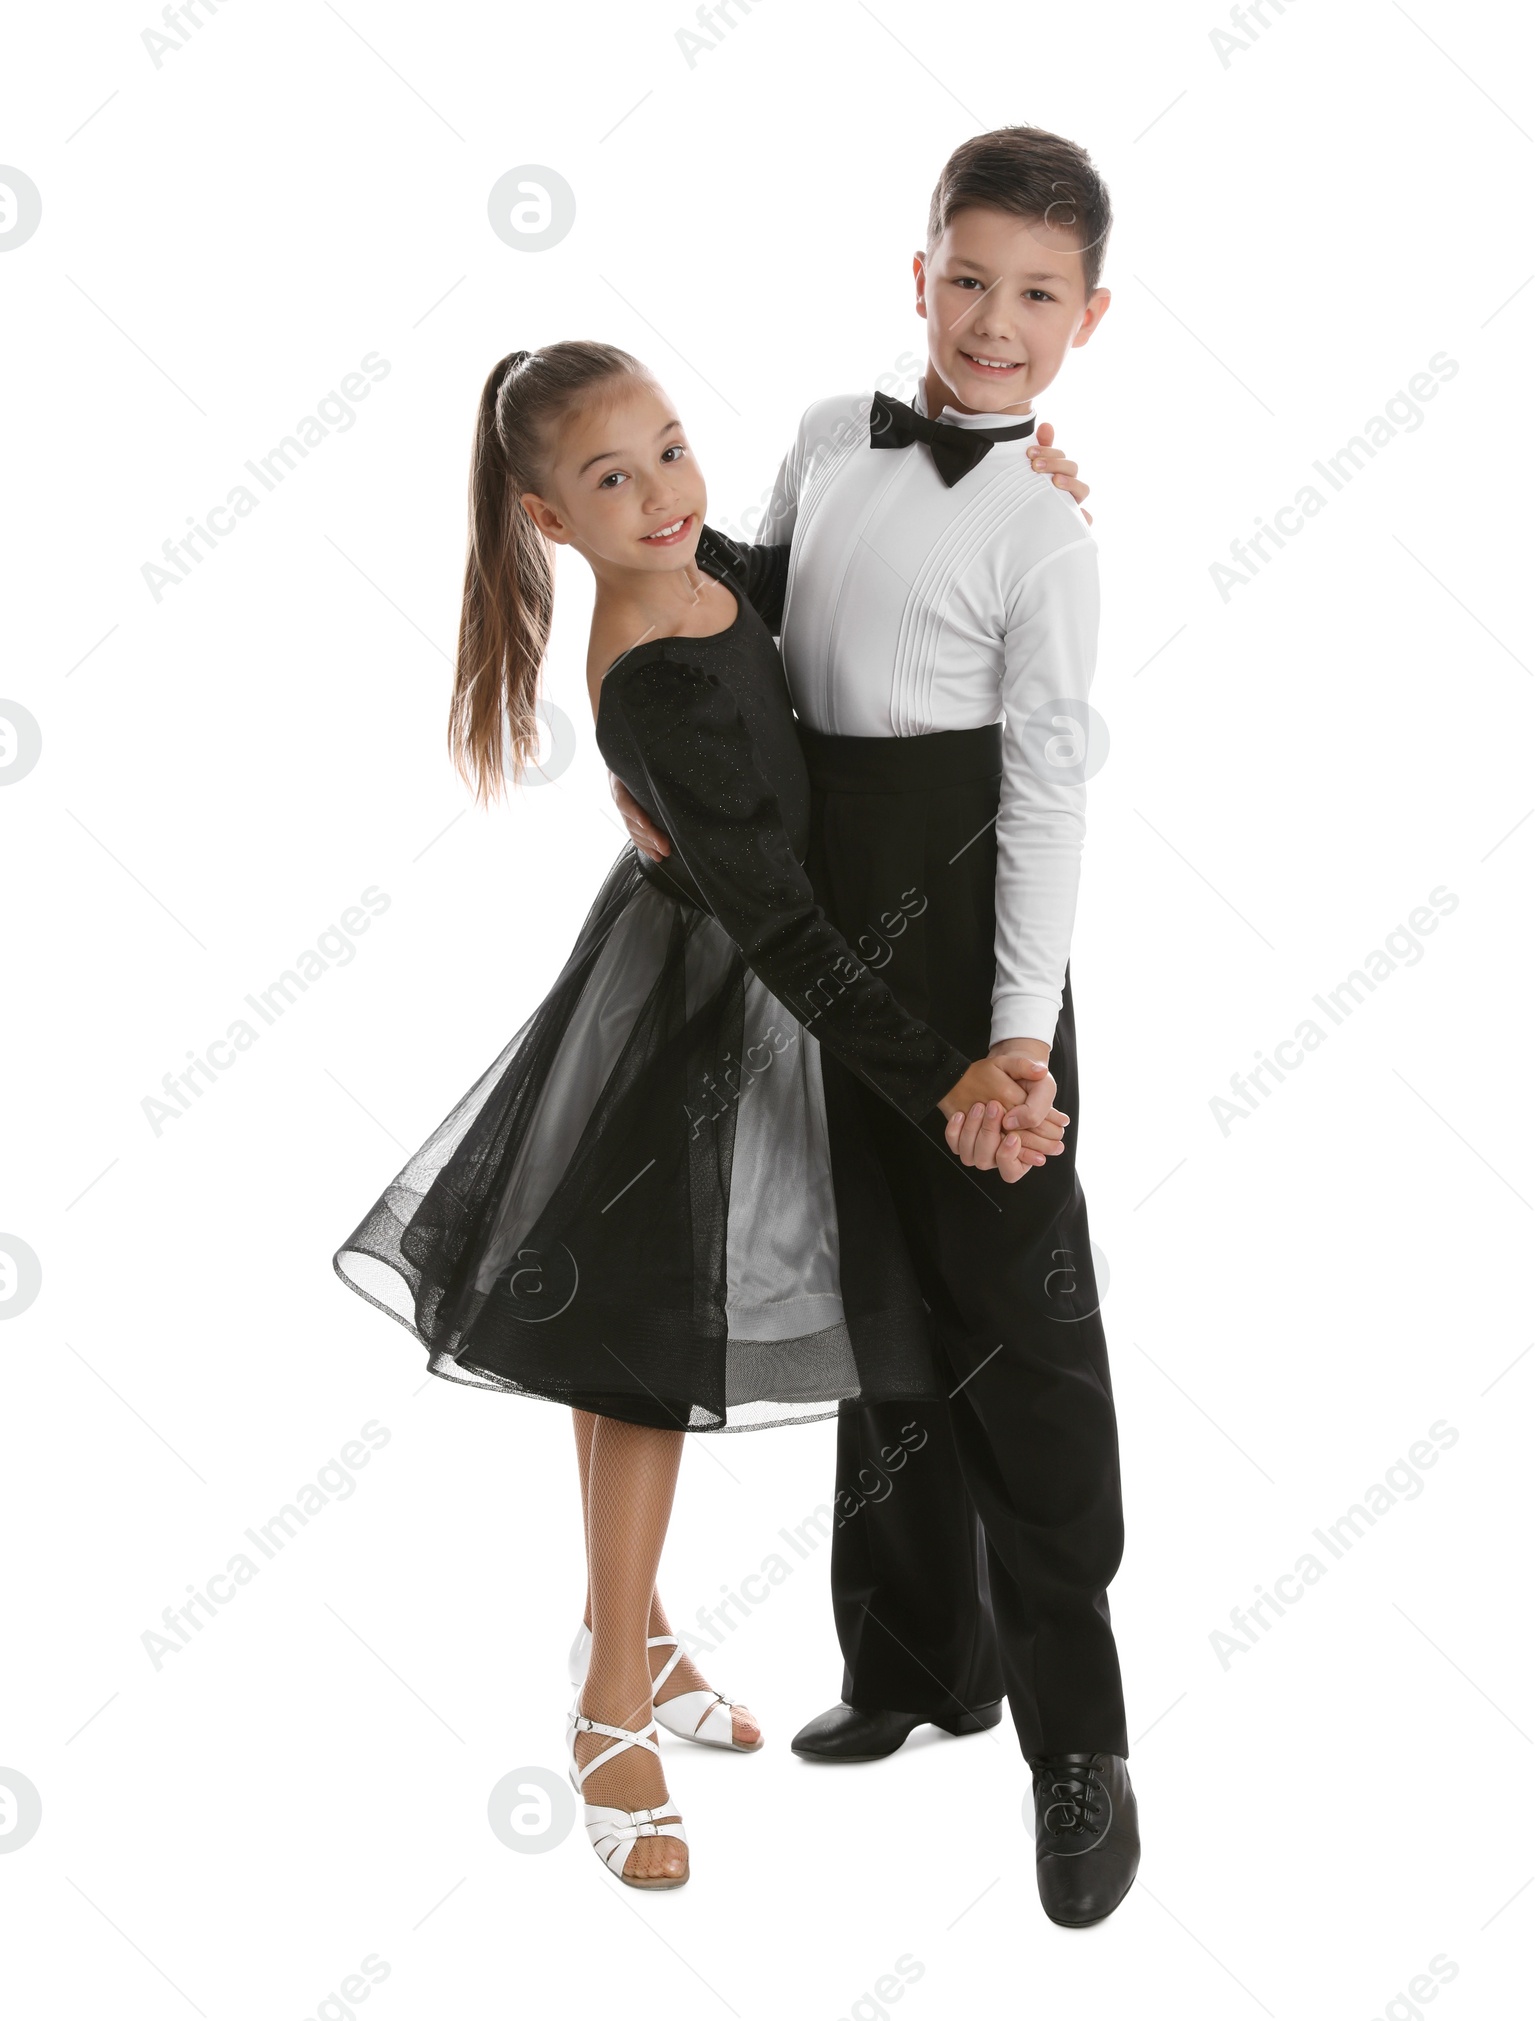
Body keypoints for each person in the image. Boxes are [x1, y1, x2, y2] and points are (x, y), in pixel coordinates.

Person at [331, 341, 1083, 1890]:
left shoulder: (709, 563)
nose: (665, 494)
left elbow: (833, 578)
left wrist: (1021, 485)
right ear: (549, 518)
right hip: (708, 1007)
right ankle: (608, 1703)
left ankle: (640, 1634)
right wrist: (944, 1075)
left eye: (671, 449)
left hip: (765, 988)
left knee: (646, 1344)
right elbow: (789, 932)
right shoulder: (656, 684)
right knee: (643, 1355)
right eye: (613, 479)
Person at [612, 125, 1138, 1927]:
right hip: (821, 934)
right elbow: (767, 594)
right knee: (879, 1300)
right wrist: (663, 749)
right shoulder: (839, 432)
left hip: (973, 967)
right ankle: (918, 1656)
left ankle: (1081, 1744)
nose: (994, 325)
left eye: (1037, 297)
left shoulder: (1048, 529)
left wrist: (1015, 1042)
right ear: (919, 273)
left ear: (1089, 317)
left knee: (1023, 1327)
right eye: (968, 279)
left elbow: (1056, 790)